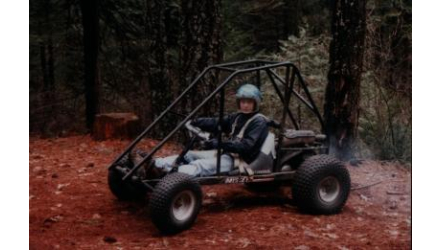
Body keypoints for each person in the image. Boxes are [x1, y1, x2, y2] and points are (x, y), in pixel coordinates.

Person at [153, 83, 269, 177]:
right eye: (243, 101)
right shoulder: (237, 117)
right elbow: (216, 122)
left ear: (255, 103)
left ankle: (168, 176)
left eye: (249, 102)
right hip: (228, 154)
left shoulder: (259, 122)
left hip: (240, 161)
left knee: (199, 165)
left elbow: (246, 146)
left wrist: (220, 144)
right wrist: (196, 121)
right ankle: (156, 164)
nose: (245, 105)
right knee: (189, 155)